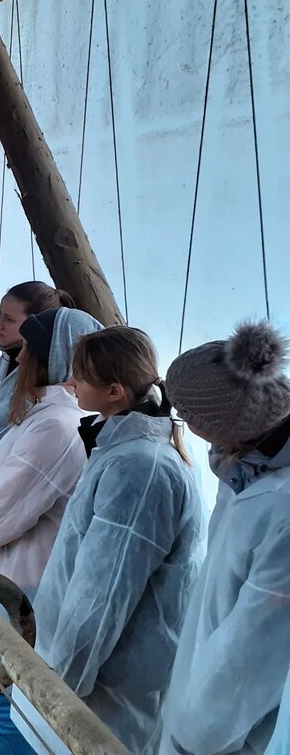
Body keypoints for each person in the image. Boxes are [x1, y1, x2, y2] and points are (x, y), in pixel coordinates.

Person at [7, 326, 203, 755]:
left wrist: (58, 694)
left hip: (102, 686)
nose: (70, 383)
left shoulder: (140, 469)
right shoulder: (120, 449)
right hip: (82, 666)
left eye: (80, 376)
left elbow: (104, 595)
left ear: (114, 391)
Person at [0, 307, 102, 755]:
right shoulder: (44, 413)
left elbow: (2, 510)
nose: (19, 353)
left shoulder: (55, 425)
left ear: (49, 357)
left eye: (28, 346)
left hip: (15, 577)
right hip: (0, 567)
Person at [153, 320, 290, 755]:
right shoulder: (246, 469)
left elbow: (254, 646)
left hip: (220, 731)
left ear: (218, 422)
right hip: (202, 692)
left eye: (186, 413)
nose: (183, 422)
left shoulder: (280, 505)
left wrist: (193, 734)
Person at [0, 282, 76, 465]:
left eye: (9, 319)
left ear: (35, 324)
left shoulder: (42, 378)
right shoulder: (6, 359)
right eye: (0, 314)